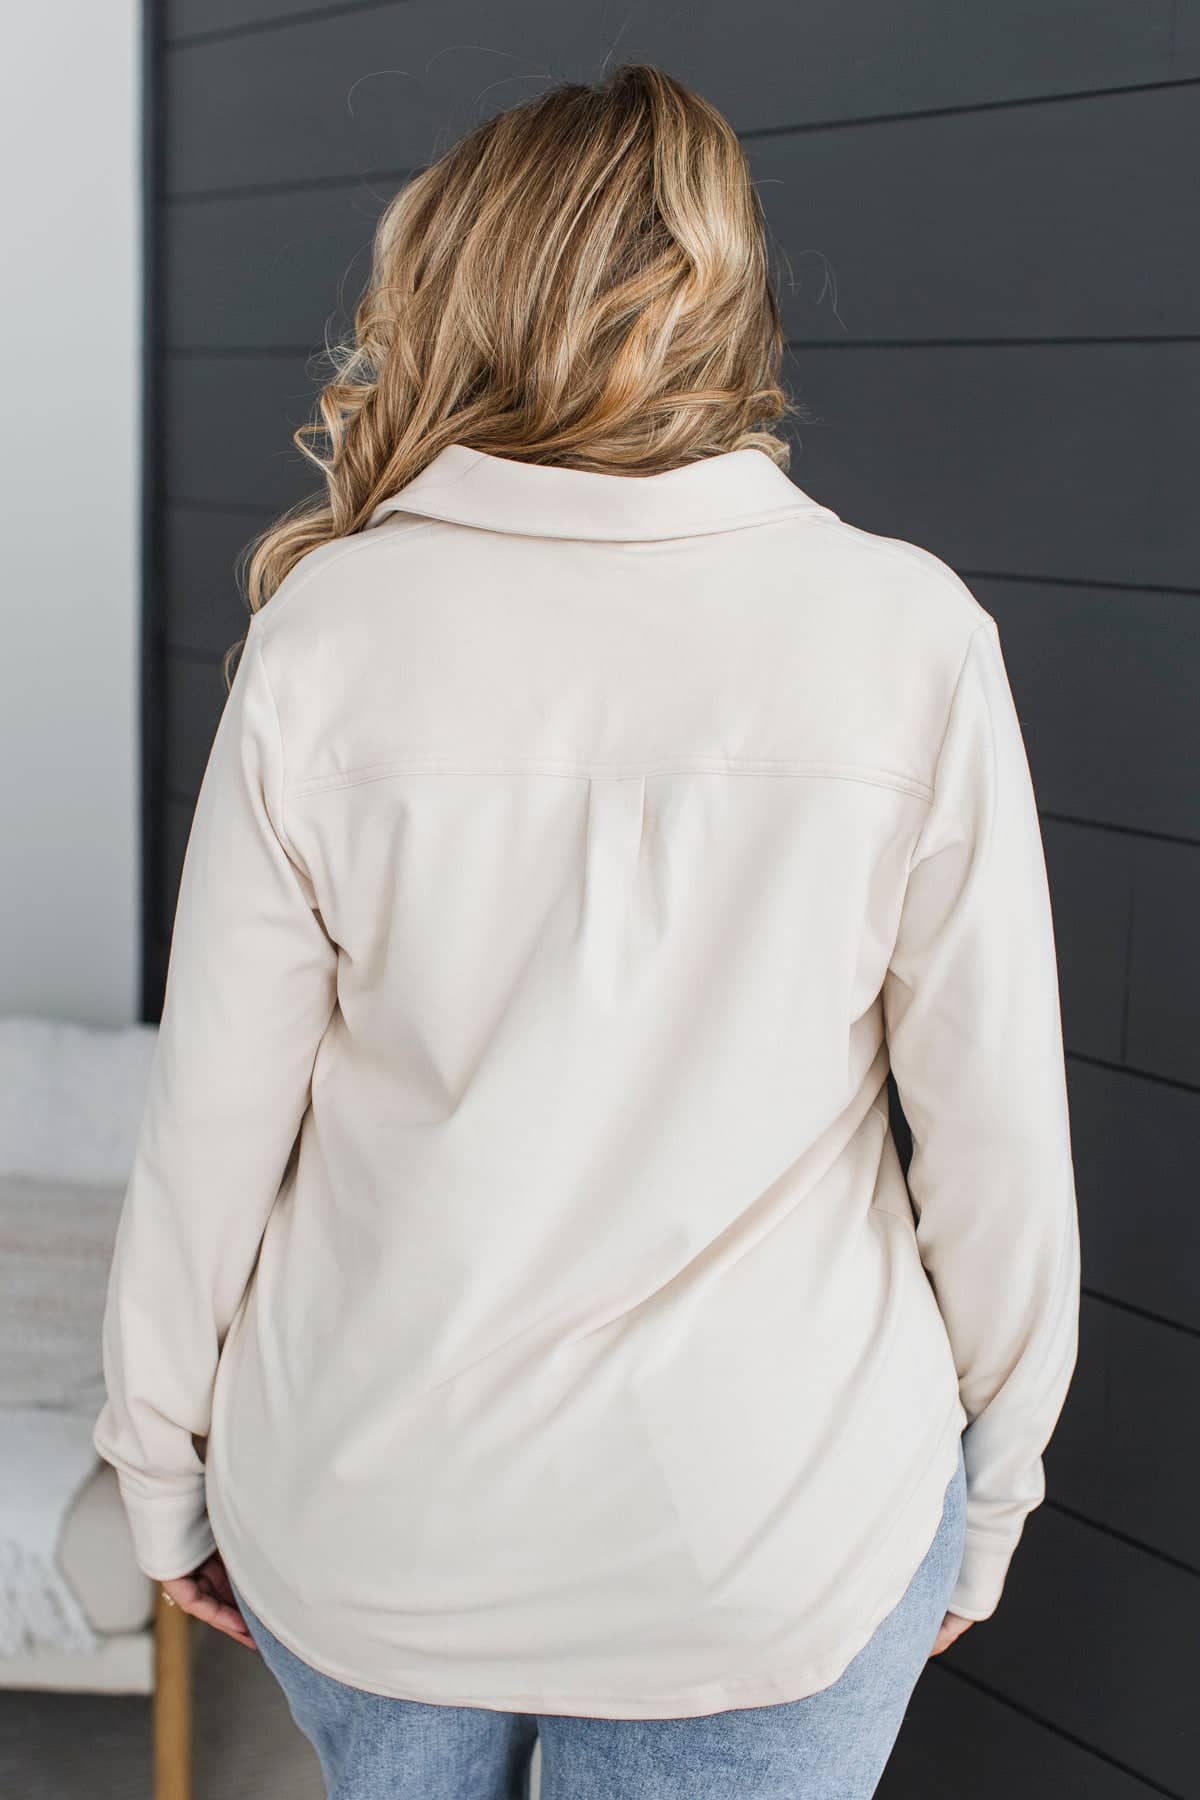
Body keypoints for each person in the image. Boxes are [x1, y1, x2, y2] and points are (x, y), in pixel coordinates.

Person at [93, 62, 1081, 1800]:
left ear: (452, 287)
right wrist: (991, 1495)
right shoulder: (906, 634)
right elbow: (995, 1138)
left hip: (380, 1517)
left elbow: (212, 1136)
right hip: (768, 1531)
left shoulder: (332, 635)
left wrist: (159, 1470)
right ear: (725, 294)